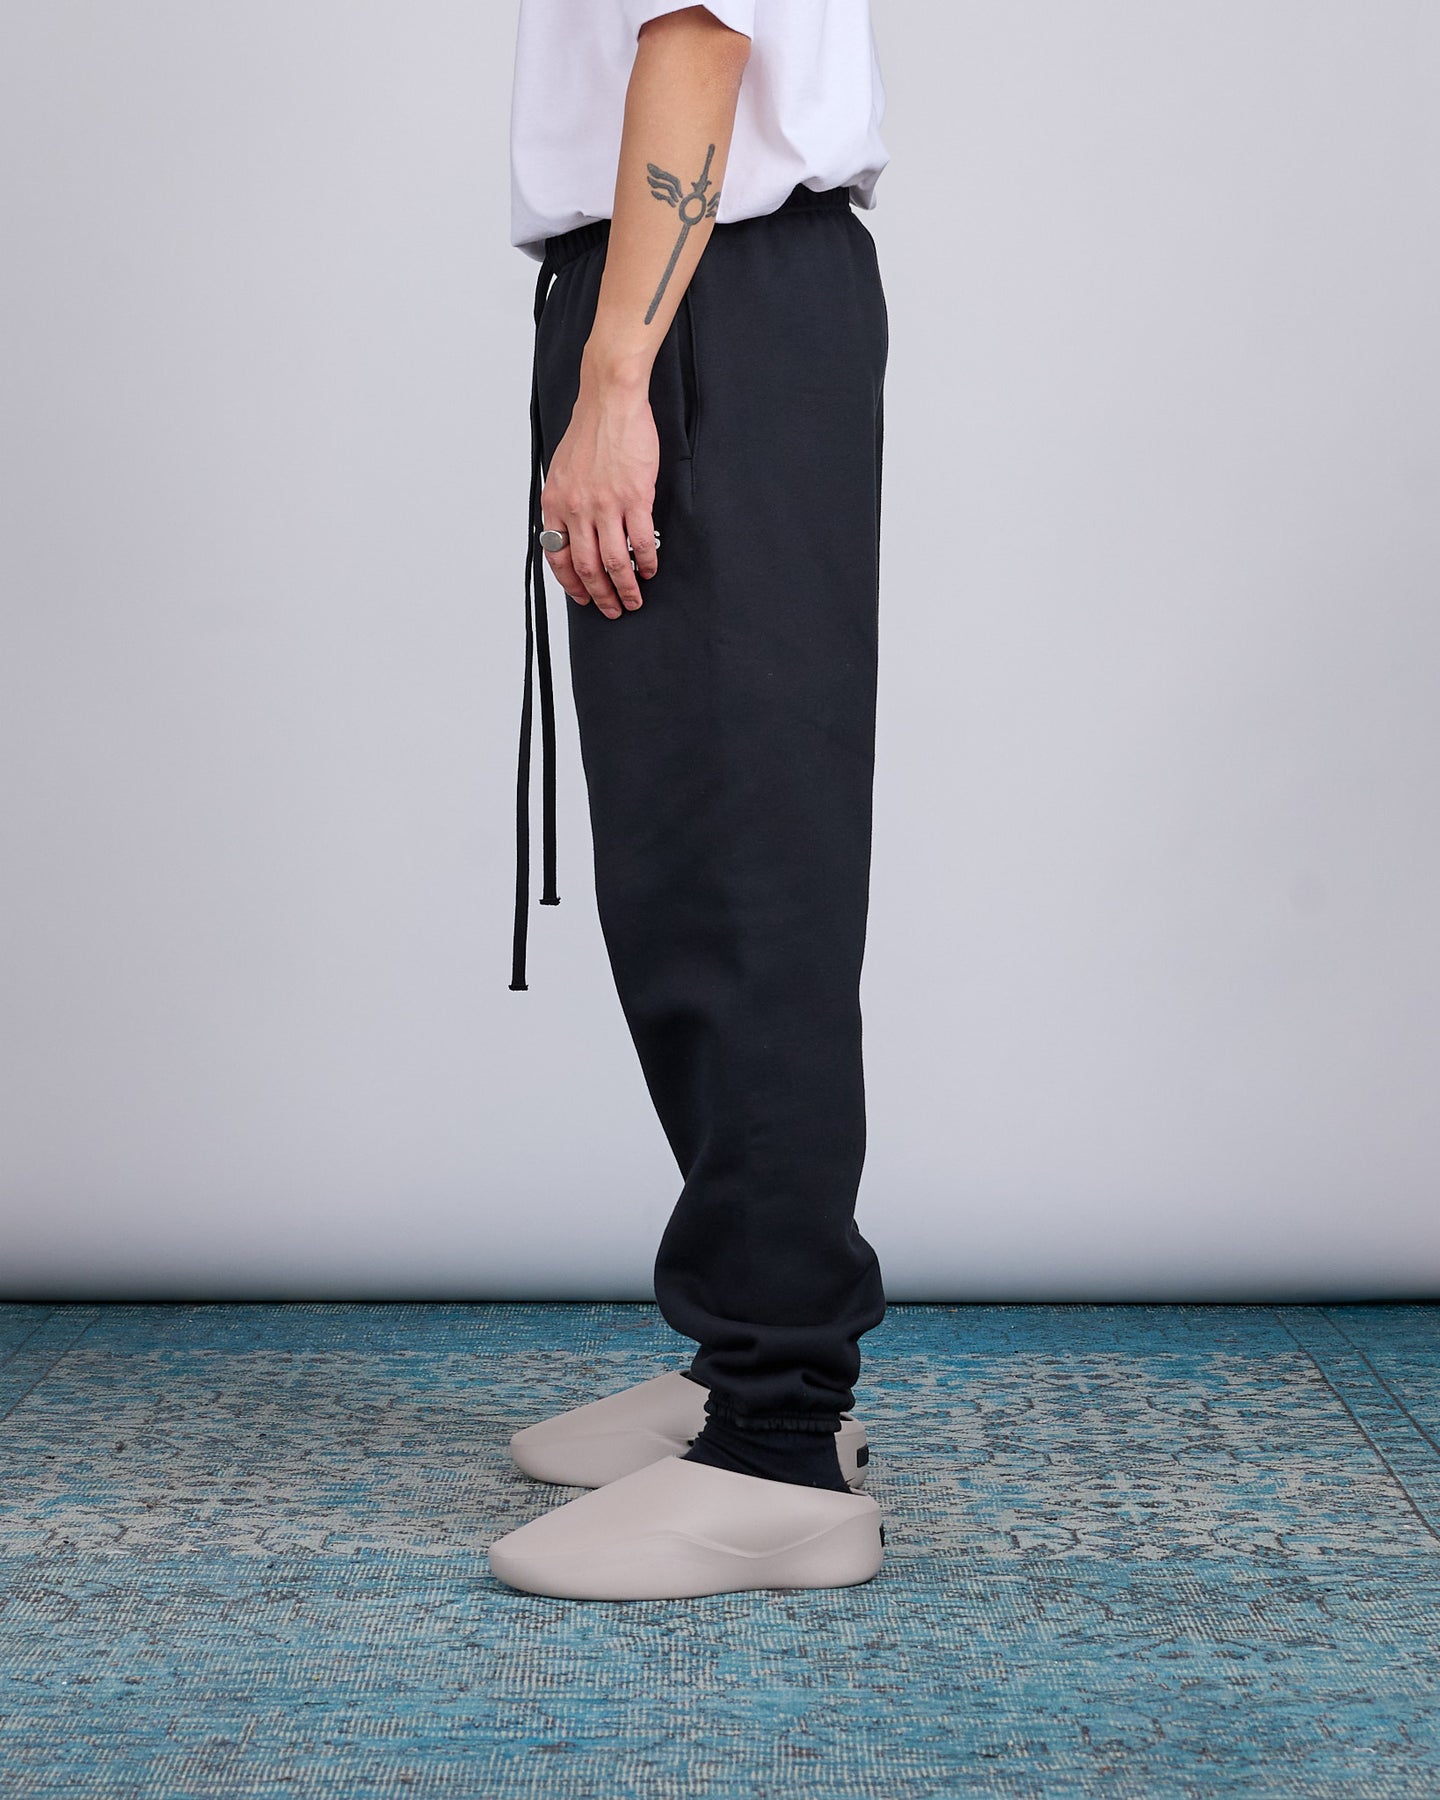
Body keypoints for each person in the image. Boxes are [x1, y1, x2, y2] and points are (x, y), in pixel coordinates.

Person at [488, 0, 892, 1601]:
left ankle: (780, 1442)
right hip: (683, 293)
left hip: (699, 300)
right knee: (682, 858)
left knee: (742, 868)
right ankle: (751, 1361)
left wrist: (615, 384)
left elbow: (699, 44)